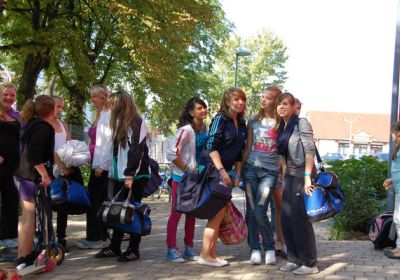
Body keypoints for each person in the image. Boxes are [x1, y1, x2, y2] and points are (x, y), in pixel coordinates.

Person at [94, 91, 149, 262]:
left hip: (135, 175)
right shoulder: (119, 122)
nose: (109, 107)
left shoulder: (137, 122)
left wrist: (130, 175)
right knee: (118, 210)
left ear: (120, 105)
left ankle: (134, 248)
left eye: (112, 104)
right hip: (121, 174)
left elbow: (137, 151)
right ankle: (115, 246)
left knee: (132, 210)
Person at [197, 87, 247, 267]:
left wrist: (238, 173)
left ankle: (211, 254)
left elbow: (239, 152)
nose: (240, 102)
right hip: (213, 170)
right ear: (227, 102)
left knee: (219, 213)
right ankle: (205, 255)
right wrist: (222, 171)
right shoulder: (220, 119)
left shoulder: (241, 123)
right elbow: (211, 146)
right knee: (216, 213)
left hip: (226, 171)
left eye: (243, 99)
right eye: (236, 99)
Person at [275, 92, 318, 275]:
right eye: (279, 104)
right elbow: (283, 156)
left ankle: (310, 263)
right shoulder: (282, 127)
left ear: (294, 107)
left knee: (300, 221)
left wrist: (308, 176)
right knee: (286, 220)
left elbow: (309, 151)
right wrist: (283, 176)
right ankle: (294, 259)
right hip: (289, 177)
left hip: (302, 175)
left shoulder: (301, 123)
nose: (281, 107)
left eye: (285, 104)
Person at [13, 95, 55, 269]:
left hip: (22, 174)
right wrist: (45, 175)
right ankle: (24, 257)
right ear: (51, 110)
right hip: (29, 176)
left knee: (27, 217)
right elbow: (34, 153)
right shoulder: (43, 128)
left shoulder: (32, 124)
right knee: (29, 217)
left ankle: (22, 255)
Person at [241, 86, 281, 265]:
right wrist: (241, 169)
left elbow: (283, 152)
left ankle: (270, 247)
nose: (263, 100)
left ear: (276, 101)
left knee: (260, 210)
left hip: (270, 173)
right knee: (251, 212)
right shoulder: (253, 120)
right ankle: (255, 248)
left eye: (268, 98)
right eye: (262, 97)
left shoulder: (281, 123)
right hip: (251, 170)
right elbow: (248, 146)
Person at [165, 97, 208, 262]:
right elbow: (171, 154)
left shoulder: (205, 129)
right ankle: (171, 249)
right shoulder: (185, 130)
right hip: (181, 179)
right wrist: (186, 169)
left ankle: (189, 248)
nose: (203, 110)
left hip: (197, 178)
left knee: (191, 214)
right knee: (175, 214)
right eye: (199, 108)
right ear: (191, 112)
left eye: (204, 108)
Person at [76, 85, 112, 249]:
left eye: (94, 97)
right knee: (99, 199)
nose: (92, 100)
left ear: (104, 97)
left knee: (95, 199)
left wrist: (101, 165)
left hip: (100, 165)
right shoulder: (100, 114)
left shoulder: (108, 115)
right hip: (95, 162)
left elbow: (107, 142)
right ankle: (101, 235)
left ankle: (96, 237)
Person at [50, 96, 84, 251]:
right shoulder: (44, 123)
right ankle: (46, 236)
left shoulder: (62, 124)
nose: (60, 110)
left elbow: (69, 145)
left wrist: (71, 162)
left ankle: (61, 236)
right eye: (57, 106)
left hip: (67, 167)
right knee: (49, 203)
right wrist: (60, 166)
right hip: (52, 168)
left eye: (62, 107)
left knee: (63, 203)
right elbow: (47, 148)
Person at [0, 83, 20, 250]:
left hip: (14, 165)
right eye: (6, 94)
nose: (9, 98)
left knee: (11, 202)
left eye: (12, 95)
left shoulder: (17, 116)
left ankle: (9, 239)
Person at [384, 122, 400, 259]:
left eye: (393, 132)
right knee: (398, 219)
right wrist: (392, 179)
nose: (391, 134)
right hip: (398, 188)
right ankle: (399, 247)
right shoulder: (398, 148)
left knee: (399, 219)